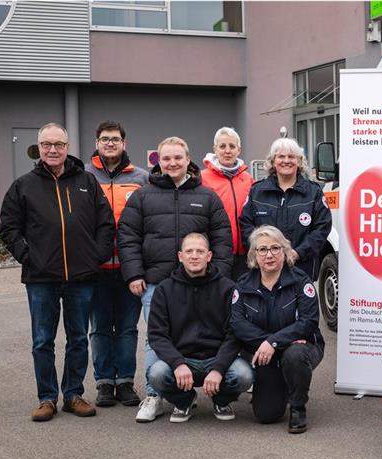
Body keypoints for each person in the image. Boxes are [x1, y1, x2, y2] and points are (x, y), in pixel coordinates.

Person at [0, 122, 115, 421]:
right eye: (47, 144)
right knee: (42, 340)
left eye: (59, 144)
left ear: (67, 147)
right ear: (39, 148)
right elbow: (9, 227)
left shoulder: (87, 182)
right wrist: (29, 257)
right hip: (41, 278)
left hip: (82, 276)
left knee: (78, 338)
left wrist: (96, 256)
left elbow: (105, 223)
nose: (53, 149)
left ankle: (74, 394)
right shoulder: (23, 185)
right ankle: (47, 397)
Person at [118, 136, 233, 423]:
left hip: (202, 281)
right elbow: (128, 236)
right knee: (155, 338)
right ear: (157, 162)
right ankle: (155, 395)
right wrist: (134, 273)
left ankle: (209, 387)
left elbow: (222, 238)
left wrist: (218, 273)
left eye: (177, 158)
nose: (172, 163)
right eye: (166, 158)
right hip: (156, 281)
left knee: (206, 331)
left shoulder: (206, 196)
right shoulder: (143, 195)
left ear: (187, 159)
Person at [146, 233, 253, 423]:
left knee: (244, 375)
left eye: (200, 251)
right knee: (156, 374)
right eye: (189, 251)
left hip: (216, 358)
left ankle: (221, 400)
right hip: (182, 359)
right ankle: (184, 401)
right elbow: (157, 335)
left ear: (209, 256)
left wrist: (219, 369)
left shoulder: (227, 288)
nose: (194, 256)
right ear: (180, 256)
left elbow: (234, 333)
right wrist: (177, 364)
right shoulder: (164, 289)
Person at [230, 225, 324, 433]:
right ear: (254, 254)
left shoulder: (301, 281)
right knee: (266, 415)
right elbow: (237, 323)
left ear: (285, 251)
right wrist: (268, 343)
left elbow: (308, 322)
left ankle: (298, 407)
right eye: (262, 249)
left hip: (302, 347)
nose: (269, 255)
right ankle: (282, 384)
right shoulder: (244, 284)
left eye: (275, 248)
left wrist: (273, 342)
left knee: (295, 355)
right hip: (265, 351)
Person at [85, 120, 148, 407]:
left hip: (129, 267)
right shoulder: (83, 177)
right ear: (97, 143)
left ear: (124, 144)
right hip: (94, 268)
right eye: (105, 139)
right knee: (99, 327)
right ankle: (103, 383)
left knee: (126, 327)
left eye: (115, 139)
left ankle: (124, 382)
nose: (110, 143)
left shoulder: (141, 178)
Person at [240, 138, 331, 282]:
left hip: (302, 270)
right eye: (281, 156)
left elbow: (322, 228)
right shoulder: (257, 191)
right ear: (273, 161)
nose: (286, 160)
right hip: (264, 273)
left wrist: (297, 253)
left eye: (291, 156)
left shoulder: (314, 192)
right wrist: (263, 253)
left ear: (299, 161)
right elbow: (246, 225)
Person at [201, 127, 254, 281]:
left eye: (232, 146)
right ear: (215, 150)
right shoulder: (203, 178)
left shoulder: (248, 179)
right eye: (222, 146)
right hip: (216, 252)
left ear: (239, 150)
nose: (227, 151)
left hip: (244, 253)